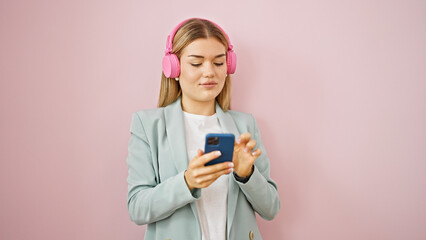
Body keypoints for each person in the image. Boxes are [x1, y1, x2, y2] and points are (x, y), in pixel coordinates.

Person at [126, 18, 280, 240]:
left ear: (228, 68)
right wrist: (187, 181)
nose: (209, 72)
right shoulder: (148, 125)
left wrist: (247, 175)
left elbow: (271, 208)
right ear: (174, 68)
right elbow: (137, 208)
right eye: (196, 63)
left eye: (218, 63)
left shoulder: (245, 125)